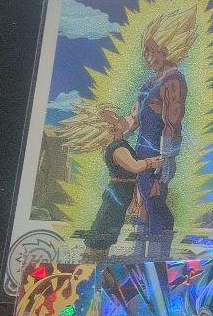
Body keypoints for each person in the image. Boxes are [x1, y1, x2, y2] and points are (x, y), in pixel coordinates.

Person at [131, 4, 197, 260]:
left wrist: (168, 157)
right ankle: (140, 255)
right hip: (141, 150)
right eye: (145, 53)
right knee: (142, 201)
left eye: (152, 52)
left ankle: (158, 257)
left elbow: (173, 120)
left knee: (155, 201)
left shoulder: (173, 80)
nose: (147, 58)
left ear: (166, 49)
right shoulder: (151, 81)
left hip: (156, 153)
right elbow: (135, 116)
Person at [57, 104, 162, 257]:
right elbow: (134, 166)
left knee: (112, 221)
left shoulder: (118, 141)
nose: (120, 117)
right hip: (118, 193)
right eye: (114, 118)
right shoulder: (118, 148)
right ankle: (94, 253)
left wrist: (135, 116)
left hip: (120, 191)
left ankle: (99, 252)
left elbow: (131, 126)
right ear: (111, 128)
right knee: (108, 220)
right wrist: (150, 163)